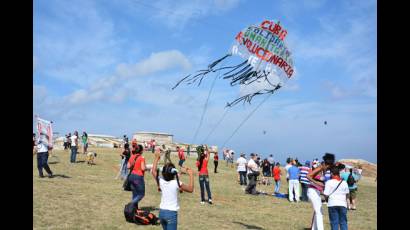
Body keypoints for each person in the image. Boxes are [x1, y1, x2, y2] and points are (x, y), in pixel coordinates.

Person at [151, 149, 194, 230]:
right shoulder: (176, 183)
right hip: (171, 214)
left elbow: (153, 171)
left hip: (161, 213)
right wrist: (191, 175)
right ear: (174, 173)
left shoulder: (161, 181)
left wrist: (157, 158)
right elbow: (190, 189)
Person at [307, 153, 335, 230]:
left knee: (318, 211)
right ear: (326, 164)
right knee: (319, 213)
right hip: (312, 191)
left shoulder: (323, 170)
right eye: (329, 166)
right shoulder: (319, 168)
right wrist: (317, 183)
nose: (329, 168)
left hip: (316, 191)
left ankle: (313, 228)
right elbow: (308, 176)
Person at [324, 165, 349, 230]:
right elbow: (347, 194)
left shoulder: (329, 182)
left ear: (332, 173)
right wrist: (347, 204)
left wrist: (326, 199)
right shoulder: (344, 182)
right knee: (343, 222)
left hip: (332, 203)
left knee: (334, 222)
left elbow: (326, 194)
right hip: (343, 204)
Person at [127, 144, 146, 209]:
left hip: (131, 176)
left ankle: (134, 210)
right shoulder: (141, 158)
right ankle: (130, 205)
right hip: (138, 177)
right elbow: (143, 168)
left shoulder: (132, 156)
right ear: (141, 151)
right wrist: (148, 167)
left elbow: (128, 166)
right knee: (141, 194)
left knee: (135, 194)